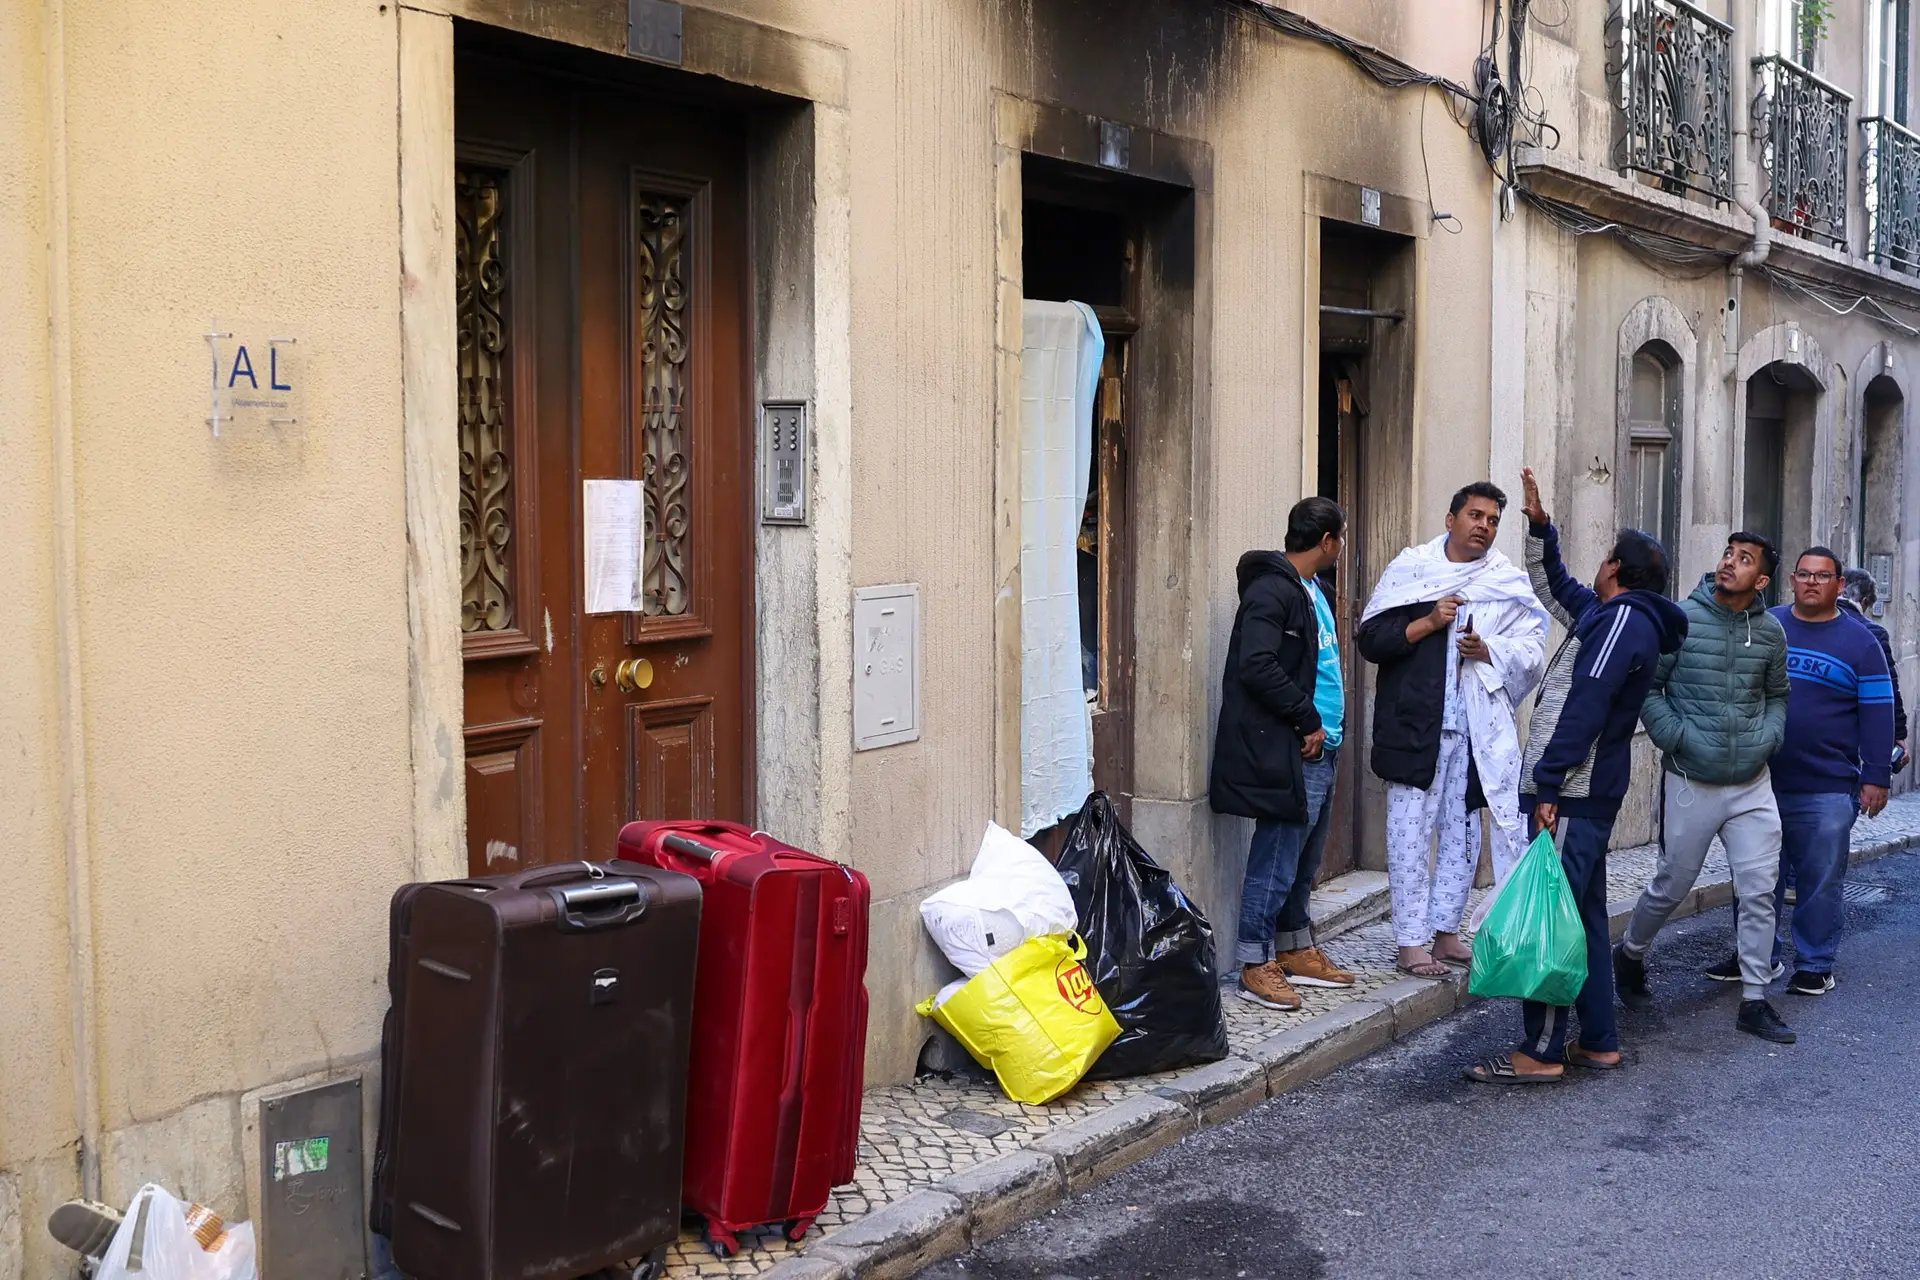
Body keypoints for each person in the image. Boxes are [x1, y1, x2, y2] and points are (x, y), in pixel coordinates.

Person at [1463, 470, 1686, 1084]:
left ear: (1615, 568)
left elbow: (1587, 702)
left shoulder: (1621, 623)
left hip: (1574, 796)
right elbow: (1553, 586)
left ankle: (1539, 1050)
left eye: (1606, 557)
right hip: (1585, 796)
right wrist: (1540, 528)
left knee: (1548, 919)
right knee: (1582, 916)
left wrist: (1551, 784)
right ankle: (1600, 1041)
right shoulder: (1609, 616)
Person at [1359, 482, 1548, 979]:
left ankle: (1446, 933)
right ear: (1451, 519)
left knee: (1464, 836)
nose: (1483, 526)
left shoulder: (1504, 581)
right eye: (1475, 515)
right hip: (1415, 727)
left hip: (1474, 732)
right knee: (1408, 833)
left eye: (1492, 520)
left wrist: (1490, 652)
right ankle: (1410, 941)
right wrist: (1427, 622)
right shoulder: (1413, 572)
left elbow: (1533, 648)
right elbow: (1371, 639)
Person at [1615, 531, 1795, 1042]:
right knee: (1673, 882)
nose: (1729, 564)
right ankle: (1629, 953)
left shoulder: (1770, 633)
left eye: (1744, 560)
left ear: (1760, 579)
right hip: (1692, 779)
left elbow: (1778, 695)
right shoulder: (1681, 619)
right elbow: (1648, 687)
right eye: (1727, 554)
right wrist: (1677, 738)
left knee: (1760, 890)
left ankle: (1755, 999)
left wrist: (1770, 736)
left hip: (1752, 785)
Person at [1209, 497, 1359, 1010]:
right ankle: (1255, 959)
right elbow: (1257, 663)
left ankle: (1295, 946)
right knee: (1277, 854)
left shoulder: (1314, 589)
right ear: (1327, 542)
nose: (1342, 545)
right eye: (1341, 537)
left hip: (1324, 744)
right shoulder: (1272, 591)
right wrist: (1307, 717)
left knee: (1306, 856)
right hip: (1297, 744)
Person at [1757, 548, 1895, 995]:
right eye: (1804, 574)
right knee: (1756, 879)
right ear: (1792, 581)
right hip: (1757, 781)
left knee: (1819, 882)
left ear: (1839, 585)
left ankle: (1814, 964)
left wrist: (1876, 775)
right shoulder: (1768, 625)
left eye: (1823, 576)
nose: (1812, 582)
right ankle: (1758, 957)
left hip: (1828, 787)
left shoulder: (1860, 642)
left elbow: (1879, 711)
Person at [1839, 567, 1908, 760]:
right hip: (1851, 728)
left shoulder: (1810, 621)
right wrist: (1899, 734)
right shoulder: (1873, 632)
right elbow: (1888, 687)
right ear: (1865, 601)